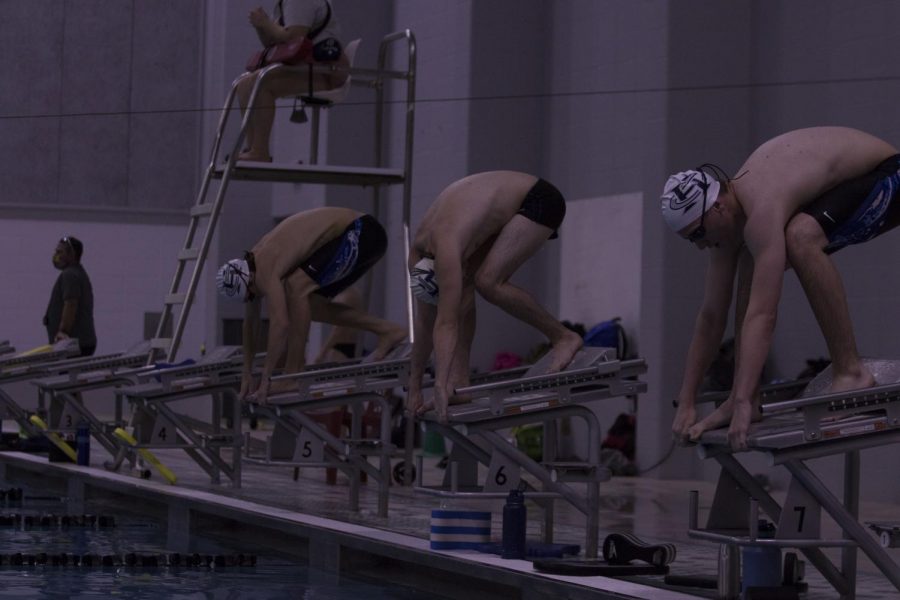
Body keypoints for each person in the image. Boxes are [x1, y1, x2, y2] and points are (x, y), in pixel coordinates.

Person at [661, 126, 899, 450]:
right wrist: (687, 399)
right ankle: (745, 394)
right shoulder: (727, 220)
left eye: (697, 235)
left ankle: (850, 370)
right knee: (751, 258)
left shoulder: (761, 207)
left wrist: (744, 401)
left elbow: (763, 314)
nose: (700, 246)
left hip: (891, 175)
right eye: (691, 240)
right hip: (849, 183)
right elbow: (711, 317)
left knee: (801, 238)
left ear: (717, 207)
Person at [406, 171, 585, 423]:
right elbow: (425, 323)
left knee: (488, 282)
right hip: (494, 199)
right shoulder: (416, 258)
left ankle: (563, 337)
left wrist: (438, 383)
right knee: (467, 286)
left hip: (537, 198)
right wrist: (414, 388)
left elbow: (446, 323)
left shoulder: (447, 251)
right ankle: (459, 383)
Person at [216, 207, 407, 404]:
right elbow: (250, 325)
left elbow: (280, 324)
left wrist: (266, 377)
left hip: (362, 232)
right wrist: (247, 371)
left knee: (296, 287)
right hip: (366, 237)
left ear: (249, 281)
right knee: (310, 305)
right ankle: (388, 330)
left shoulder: (265, 269)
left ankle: (293, 375)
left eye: (250, 294)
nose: (253, 298)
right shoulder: (250, 271)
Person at [236, 0, 349, 162]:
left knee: (262, 83)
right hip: (308, 68)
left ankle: (260, 151)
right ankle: (252, 147)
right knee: (244, 84)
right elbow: (272, 41)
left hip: (325, 71)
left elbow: (295, 38)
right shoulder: (285, 4)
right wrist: (261, 26)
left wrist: (266, 23)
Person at [43, 236, 96, 357]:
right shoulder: (78, 272)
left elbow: (71, 304)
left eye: (59, 252)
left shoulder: (70, 275)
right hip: (80, 343)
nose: (56, 256)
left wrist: (62, 332)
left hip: (74, 345)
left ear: (72, 254)